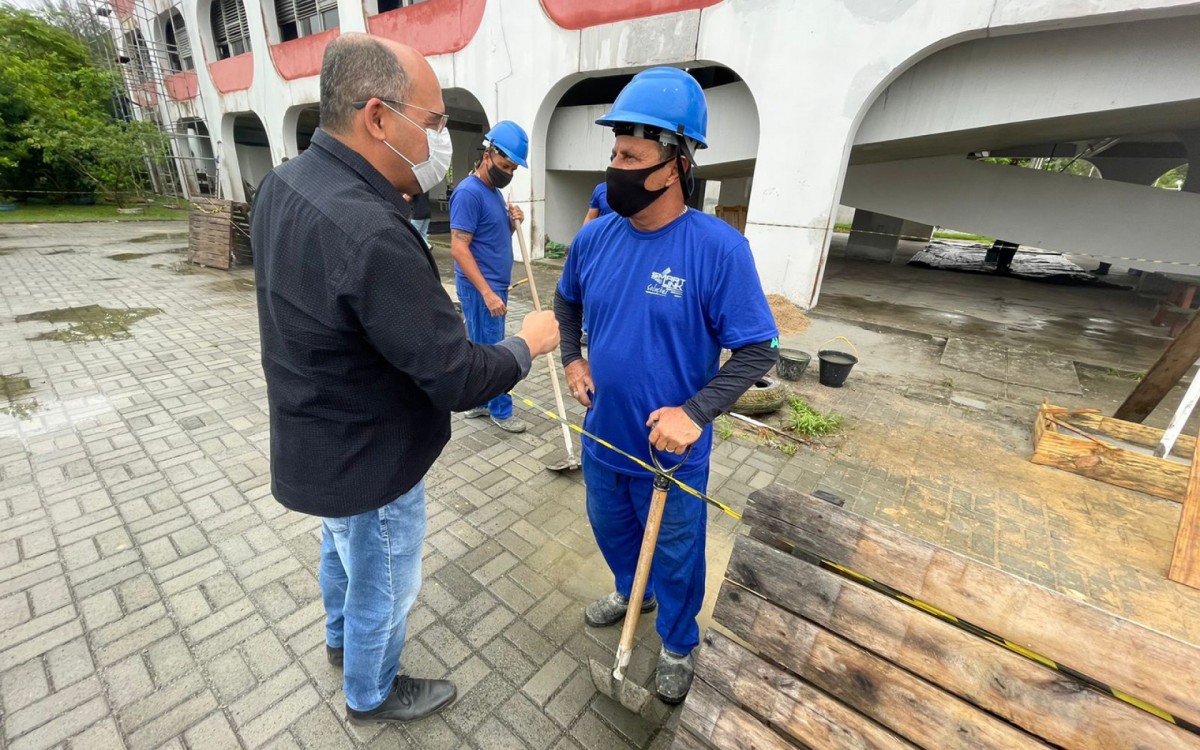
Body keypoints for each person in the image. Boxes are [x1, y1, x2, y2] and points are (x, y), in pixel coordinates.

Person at [249, 34, 559, 725]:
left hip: (319, 433)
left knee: (342, 548)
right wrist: (527, 346)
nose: (441, 138)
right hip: (372, 454)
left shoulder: (284, 184)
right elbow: (456, 376)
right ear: (379, 117)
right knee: (385, 579)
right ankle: (372, 690)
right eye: (436, 121)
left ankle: (340, 642)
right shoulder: (371, 233)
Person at [554, 67, 779, 704]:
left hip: (670, 454)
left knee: (679, 555)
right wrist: (574, 361)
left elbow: (758, 347)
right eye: (614, 152)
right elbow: (566, 302)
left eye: (631, 155)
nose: (614, 166)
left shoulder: (718, 250)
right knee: (612, 530)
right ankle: (634, 592)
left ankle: (679, 642)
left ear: (674, 163)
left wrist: (696, 413)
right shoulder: (595, 237)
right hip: (603, 437)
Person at [450, 120, 531, 433]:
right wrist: (486, 293)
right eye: (505, 165)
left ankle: (480, 402)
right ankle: (500, 409)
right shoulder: (469, 193)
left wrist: (513, 223)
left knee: (482, 346)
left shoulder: (492, 191)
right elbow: (459, 248)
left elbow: (489, 237)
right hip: (481, 288)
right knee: (495, 351)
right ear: (488, 155)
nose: (508, 172)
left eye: (513, 168)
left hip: (494, 284)